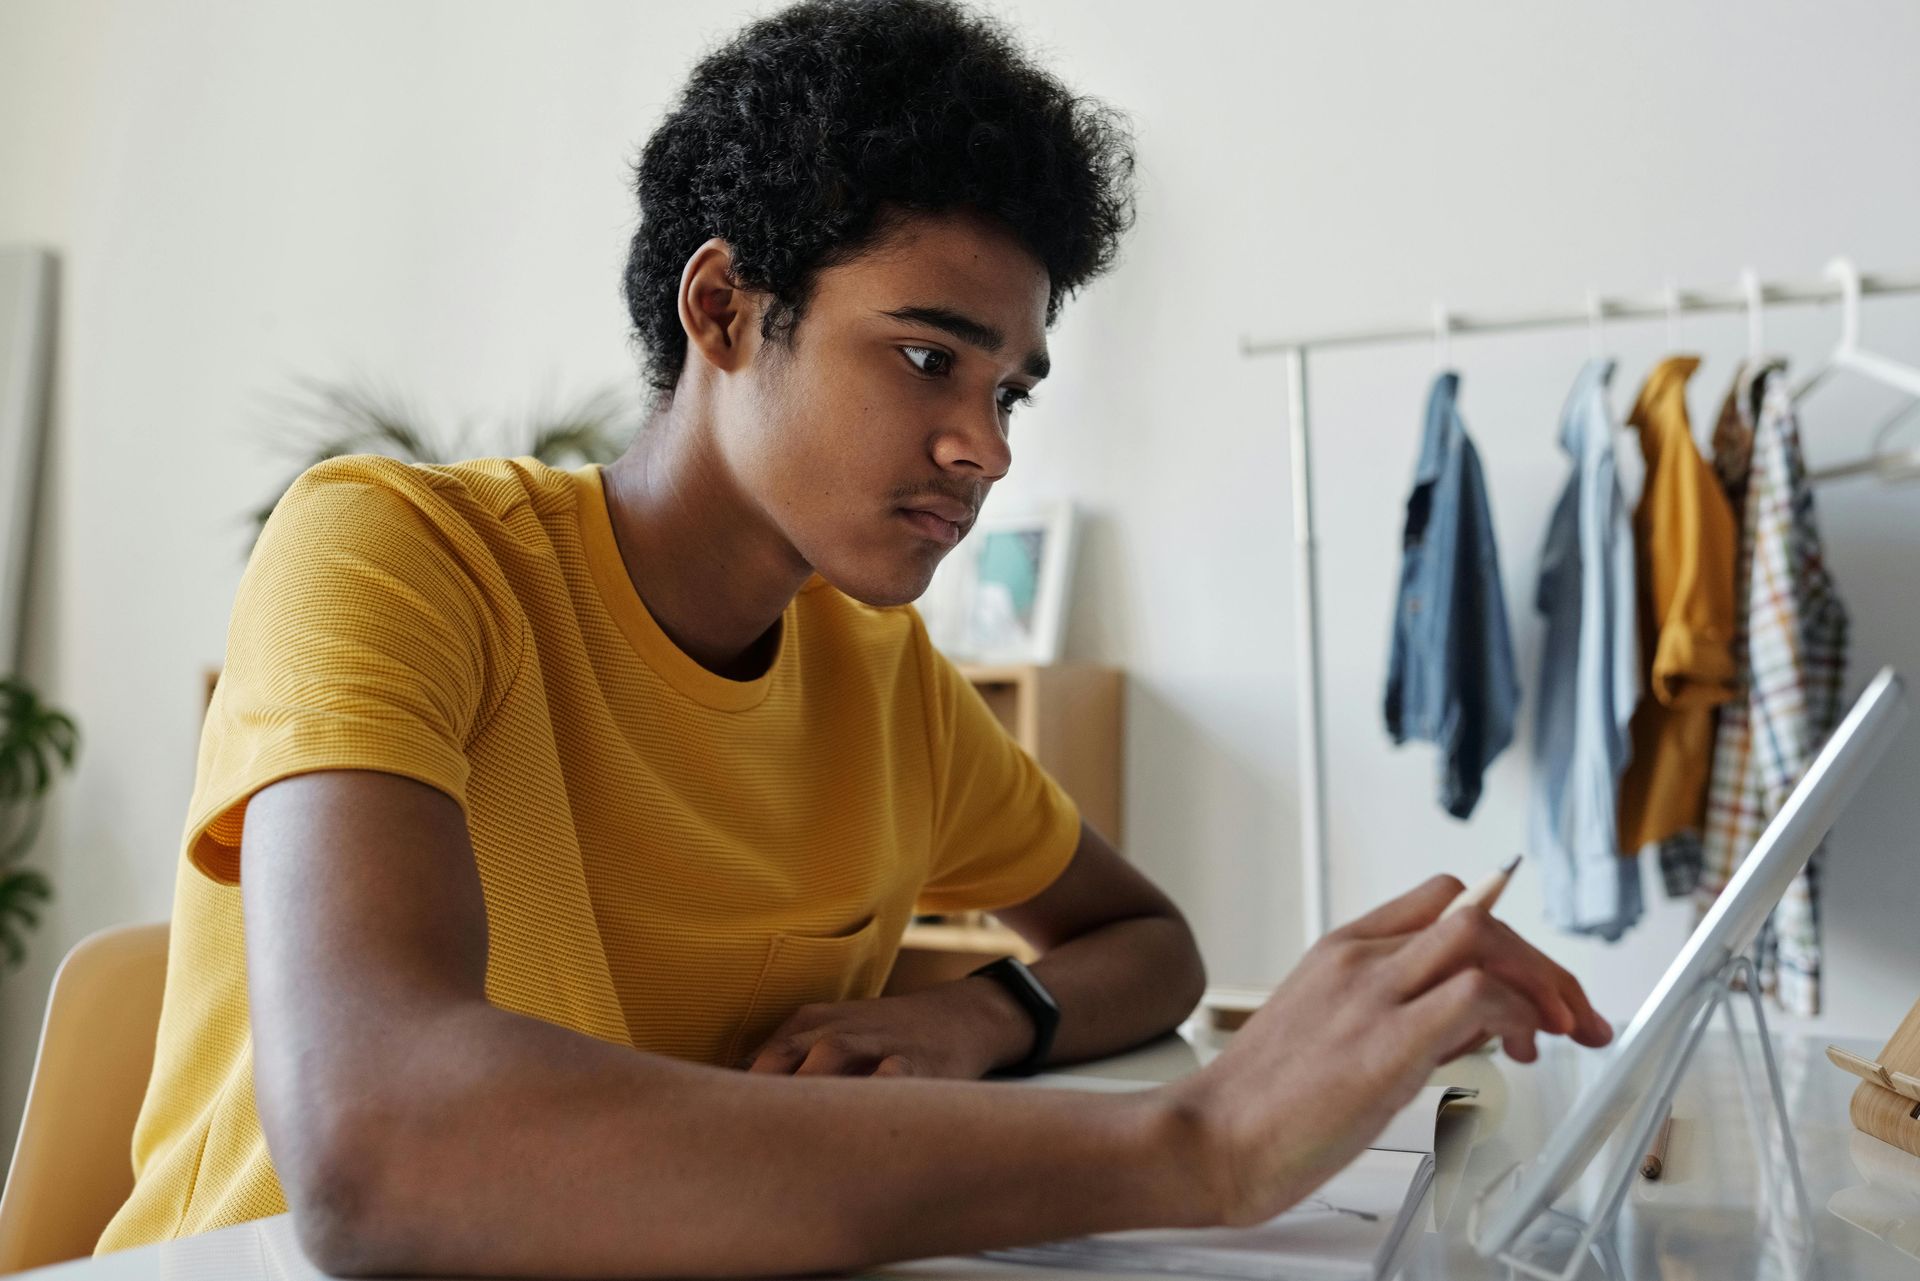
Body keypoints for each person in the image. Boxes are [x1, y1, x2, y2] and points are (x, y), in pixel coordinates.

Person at [98, 0, 1613, 1273]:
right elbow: (382, 1147)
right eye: (925, 356)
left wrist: (973, 1018)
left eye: (1008, 387)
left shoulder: (880, 679)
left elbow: (1146, 944)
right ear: (722, 309)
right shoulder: (398, 554)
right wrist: (1192, 1143)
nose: (986, 446)